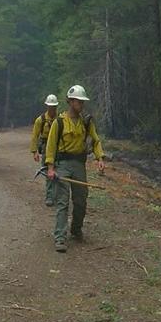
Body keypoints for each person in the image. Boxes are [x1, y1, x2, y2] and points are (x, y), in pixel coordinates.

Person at [45, 85, 105, 253]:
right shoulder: (59, 122)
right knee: (62, 202)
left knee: (81, 200)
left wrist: (100, 157)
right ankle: (60, 238)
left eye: (83, 102)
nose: (82, 105)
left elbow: (95, 140)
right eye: (79, 101)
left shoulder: (86, 122)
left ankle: (76, 229)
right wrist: (50, 168)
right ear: (71, 102)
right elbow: (50, 146)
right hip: (62, 165)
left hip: (79, 165)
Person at [31, 94, 59, 206]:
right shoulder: (40, 120)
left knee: (59, 172)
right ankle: (49, 197)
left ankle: (57, 196)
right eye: (50, 106)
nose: (52, 109)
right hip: (46, 147)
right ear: (47, 106)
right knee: (48, 172)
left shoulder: (60, 119)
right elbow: (35, 136)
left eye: (54, 107)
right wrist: (35, 152)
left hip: (59, 148)